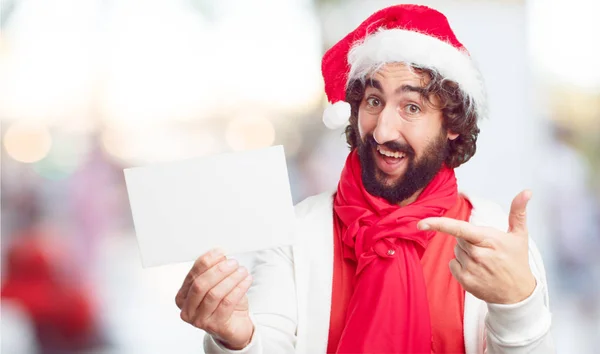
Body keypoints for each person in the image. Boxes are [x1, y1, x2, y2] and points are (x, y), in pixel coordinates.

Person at [175, 4, 554, 353]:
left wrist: (517, 304)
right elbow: (268, 338)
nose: (382, 129)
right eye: (374, 101)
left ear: (452, 125)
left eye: (411, 107)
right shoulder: (299, 232)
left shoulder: (494, 237)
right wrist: (237, 338)